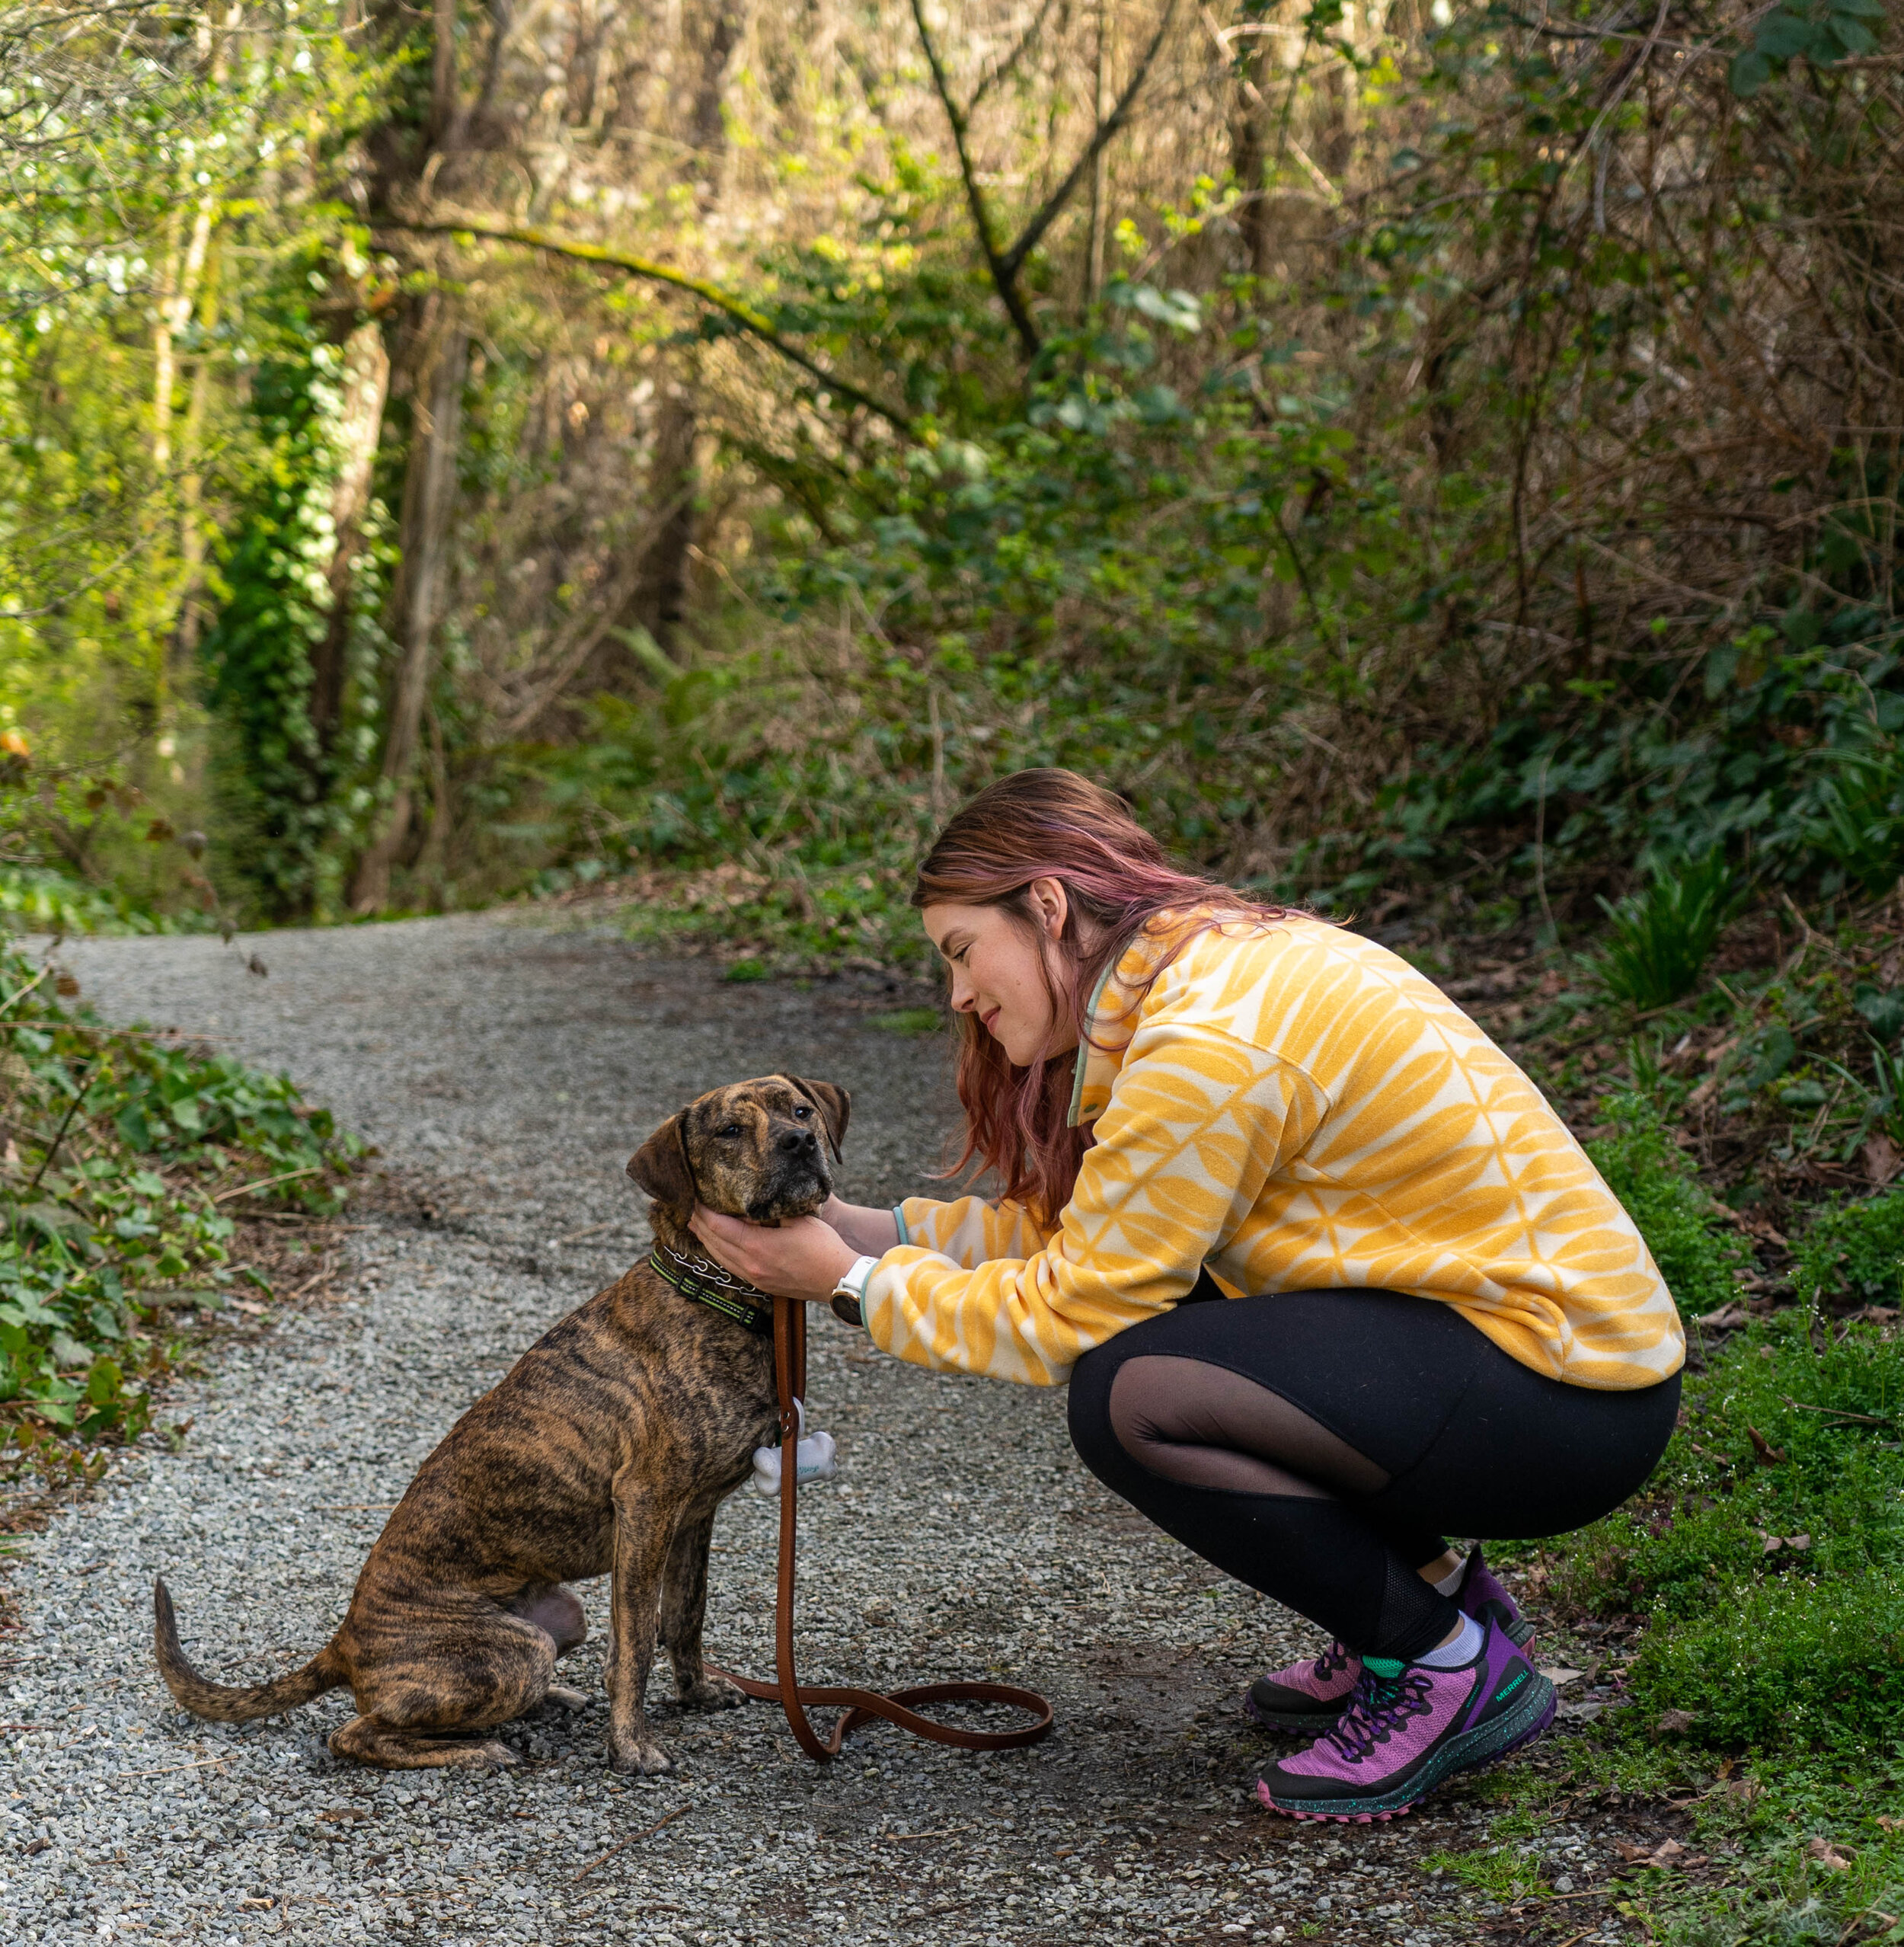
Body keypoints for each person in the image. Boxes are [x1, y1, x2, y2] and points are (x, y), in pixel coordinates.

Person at [690, 768, 1683, 1822]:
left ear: (1047, 907)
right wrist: (870, 1232)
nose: (959, 995)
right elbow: (1098, 1240)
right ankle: (1436, 1600)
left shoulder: (1205, 1043)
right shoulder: (1205, 976)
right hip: (1523, 1360)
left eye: (963, 950)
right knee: (1172, 1311)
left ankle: (1444, 1668)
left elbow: (1067, 1315)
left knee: (1132, 1391)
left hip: (1564, 1396)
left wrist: (847, 1283)